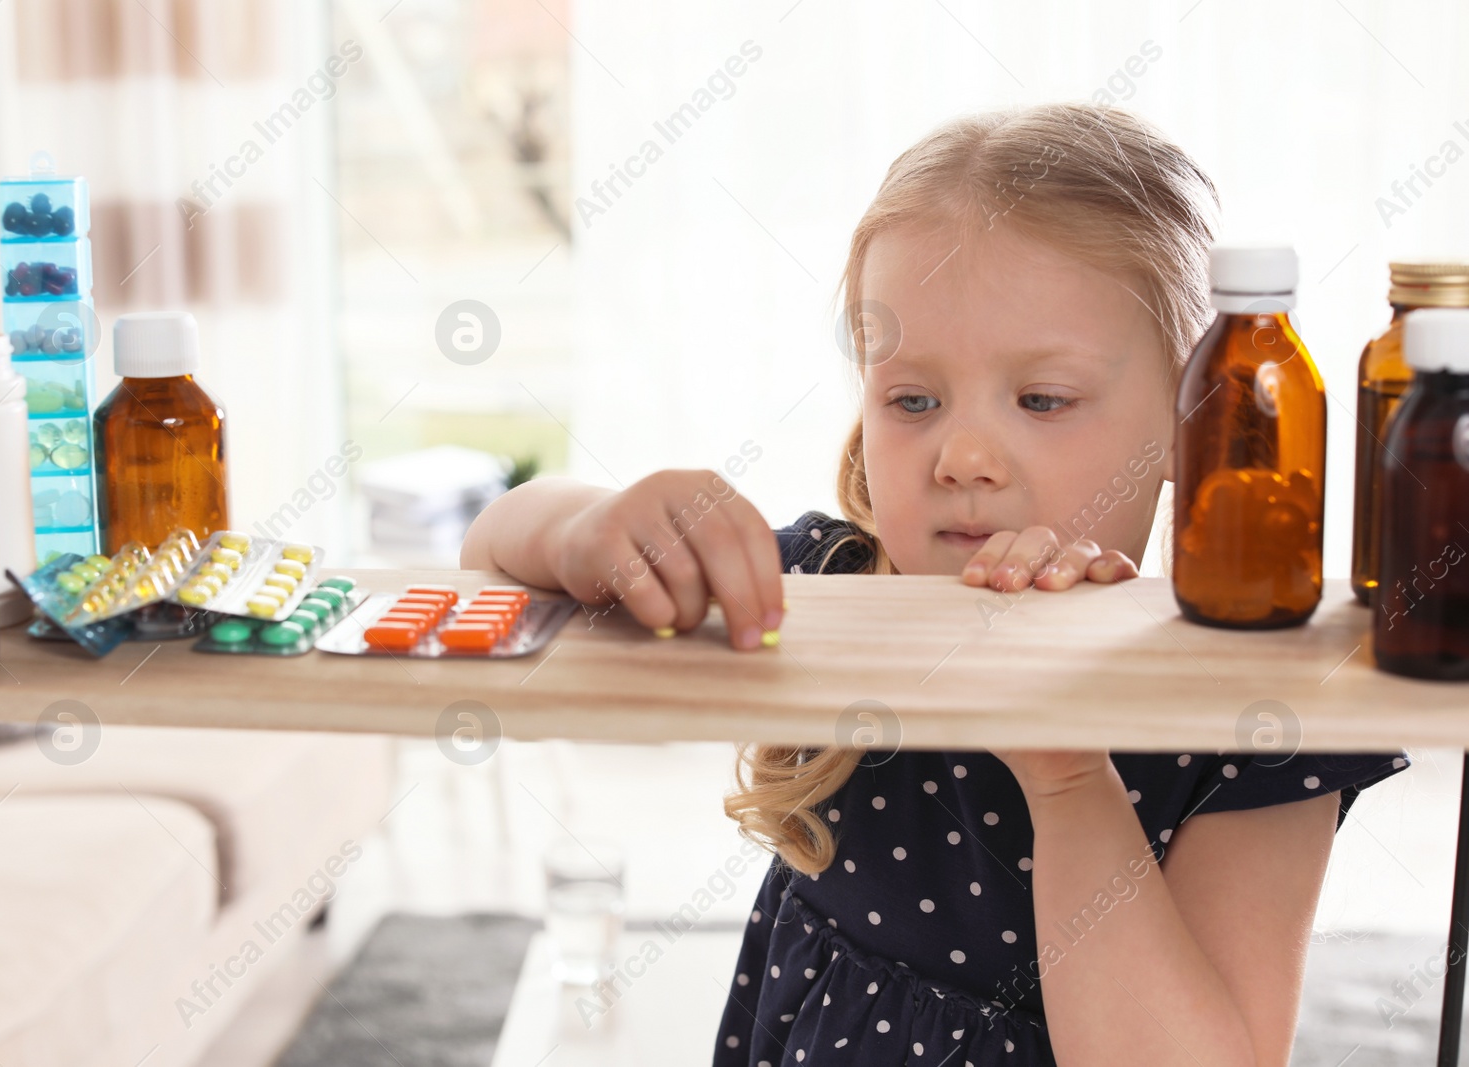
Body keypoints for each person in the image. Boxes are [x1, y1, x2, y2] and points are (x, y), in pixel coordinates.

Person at [459, 102, 1410, 1066]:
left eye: (1042, 399)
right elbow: (494, 551)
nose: (961, 455)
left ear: (1188, 418)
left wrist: (1068, 776)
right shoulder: (827, 586)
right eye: (912, 400)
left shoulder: (1254, 715)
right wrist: (589, 523)